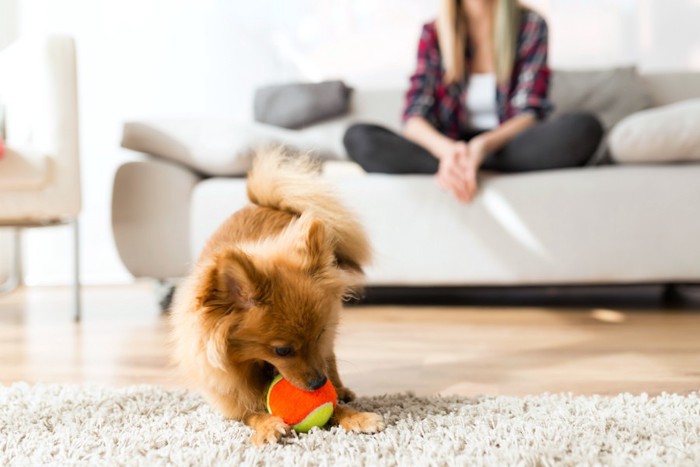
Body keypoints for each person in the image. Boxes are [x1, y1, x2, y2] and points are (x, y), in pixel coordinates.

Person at [343, 0, 603, 203]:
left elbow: (530, 112)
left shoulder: (531, 25)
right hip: (448, 146)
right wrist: (449, 151)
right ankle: (460, 166)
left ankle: (467, 166)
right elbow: (413, 117)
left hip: (504, 146)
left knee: (584, 128)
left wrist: (481, 147)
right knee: (358, 138)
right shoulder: (433, 32)